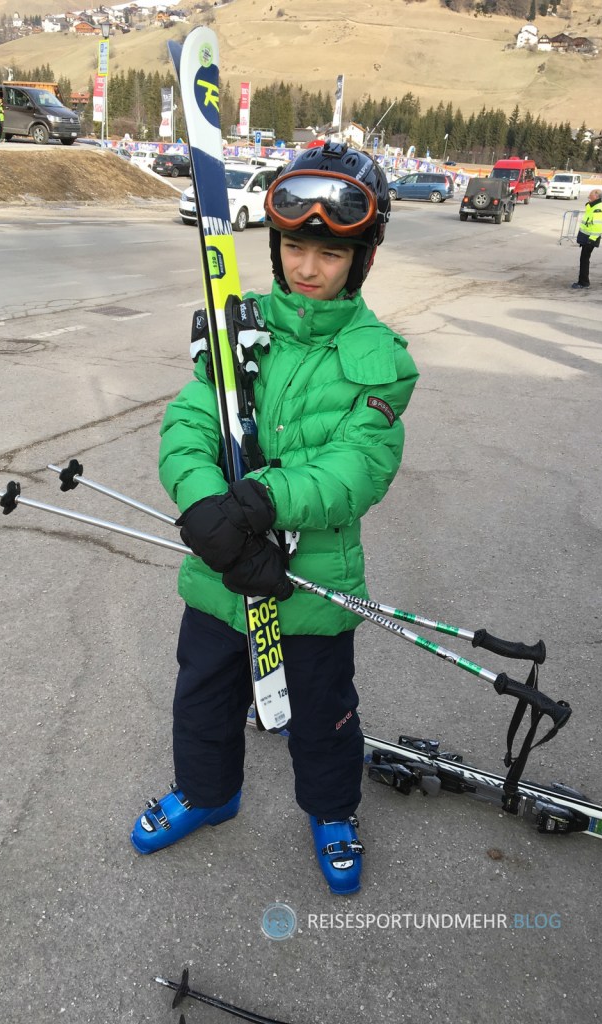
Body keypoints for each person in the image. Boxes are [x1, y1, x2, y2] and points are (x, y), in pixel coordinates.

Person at [129, 143, 419, 895]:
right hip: (222, 577)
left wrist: (259, 501)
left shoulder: (382, 358)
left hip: (312, 588)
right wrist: (202, 507)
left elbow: (360, 467)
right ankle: (208, 793)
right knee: (202, 699)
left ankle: (331, 812)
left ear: (364, 257)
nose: (307, 266)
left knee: (324, 714)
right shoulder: (238, 333)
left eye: (329, 251)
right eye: (294, 245)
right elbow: (189, 422)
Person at [572, 188, 602, 289]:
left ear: (596, 196)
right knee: (584, 260)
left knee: (584, 260)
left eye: (590, 195)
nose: (589, 196)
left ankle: (583, 283)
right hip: (587, 238)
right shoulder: (593, 206)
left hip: (590, 239)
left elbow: (597, 226)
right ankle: (583, 281)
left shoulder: (598, 208)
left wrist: (591, 240)